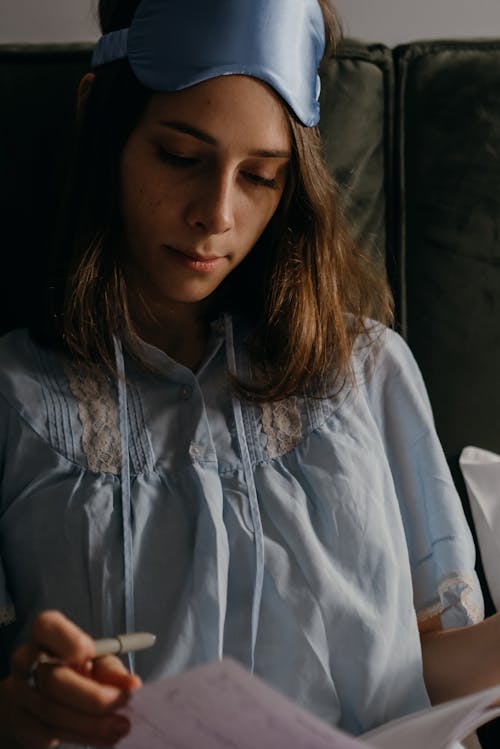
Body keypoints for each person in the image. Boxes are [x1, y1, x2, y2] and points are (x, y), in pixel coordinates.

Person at [0, 0, 497, 747]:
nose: (216, 213)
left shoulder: (369, 370)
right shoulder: (15, 395)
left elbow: (420, 666)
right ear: (105, 127)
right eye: (180, 156)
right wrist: (22, 698)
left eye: (261, 176)